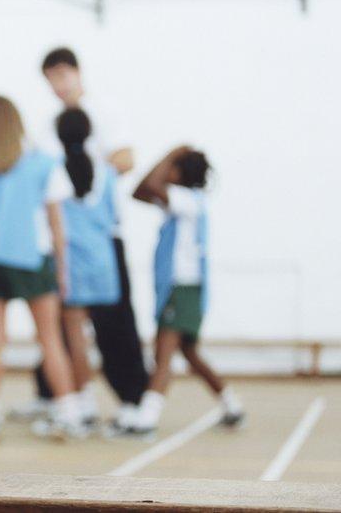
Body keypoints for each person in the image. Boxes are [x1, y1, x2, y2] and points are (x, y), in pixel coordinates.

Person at [19, 47, 149, 429]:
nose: (57, 86)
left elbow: (126, 158)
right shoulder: (48, 125)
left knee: (111, 324)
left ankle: (128, 396)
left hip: (97, 239)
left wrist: (82, 170)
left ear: (77, 72)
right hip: (69, 242)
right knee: (63, 328)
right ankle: (62, 394)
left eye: (61, 75)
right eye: (50, 79)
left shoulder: (105, 111)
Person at [0, 96, 85, 442]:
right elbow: (57, 225)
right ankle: (69, 414)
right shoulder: (43, 164)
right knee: (49, 337)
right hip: (32, 258)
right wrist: (63, 271)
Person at [129, 146, 244, 434]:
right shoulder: (182, 201)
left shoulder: (185, 199)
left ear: (180, 172)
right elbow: (139, 191)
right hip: (182, 290)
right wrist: (171, 159)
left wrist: (170, 153)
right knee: (190, 354)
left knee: (163, 354)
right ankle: (231, 404)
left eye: (172, 168)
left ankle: (146, 419)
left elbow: (152, 185)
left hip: (182, 289)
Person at [56, 108, 123, 428]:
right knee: (106, 336)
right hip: (103, 260)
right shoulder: (107, 173)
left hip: (72, 263)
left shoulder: (55, 170)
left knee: (75, 339)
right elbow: (114, 219)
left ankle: (84, 402)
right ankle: (122, 399)